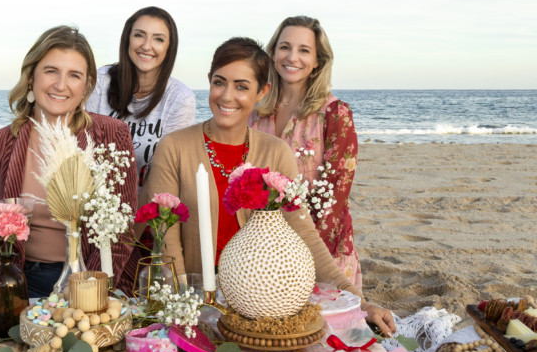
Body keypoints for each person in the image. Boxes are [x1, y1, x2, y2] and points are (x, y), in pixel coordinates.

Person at [142, 37, 395, 336]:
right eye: (219, 82)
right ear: (209, 81)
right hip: (193, 304)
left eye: (242, 86)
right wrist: (185, 305)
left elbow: (303, 233)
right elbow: (166, 239)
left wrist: (359, 301)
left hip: (261, 305)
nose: (227, 96)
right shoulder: (174, 147)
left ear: (262, 91)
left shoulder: (275, 152)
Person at [0, 26, 137, 300]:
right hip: (25, 280)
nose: (61, 84)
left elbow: (120, 231)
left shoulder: (111, 134)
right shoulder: (0, 143)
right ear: (31, 77)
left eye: (74, 75)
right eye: (51, 71)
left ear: (86, 86)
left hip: (96, 277)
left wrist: (87, 291)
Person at [251, 15, 363, 291]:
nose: (292, 57)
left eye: (304, 50)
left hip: (320, 250)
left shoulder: (335, 113)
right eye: (285, 47)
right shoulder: (254, 111)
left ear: (317, 61)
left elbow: (336, 196)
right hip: (260, 249)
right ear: (274, 52)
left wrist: (300, 254)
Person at [86, 7, 196, 187]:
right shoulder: (100, 82)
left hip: (148, 208)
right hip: (91, 201)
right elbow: (82, 149)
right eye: (139, 35)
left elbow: (170, 171)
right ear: (127, 39)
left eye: (158, 39)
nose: (146, 46)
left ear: (169, 48)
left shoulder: (180, 99)